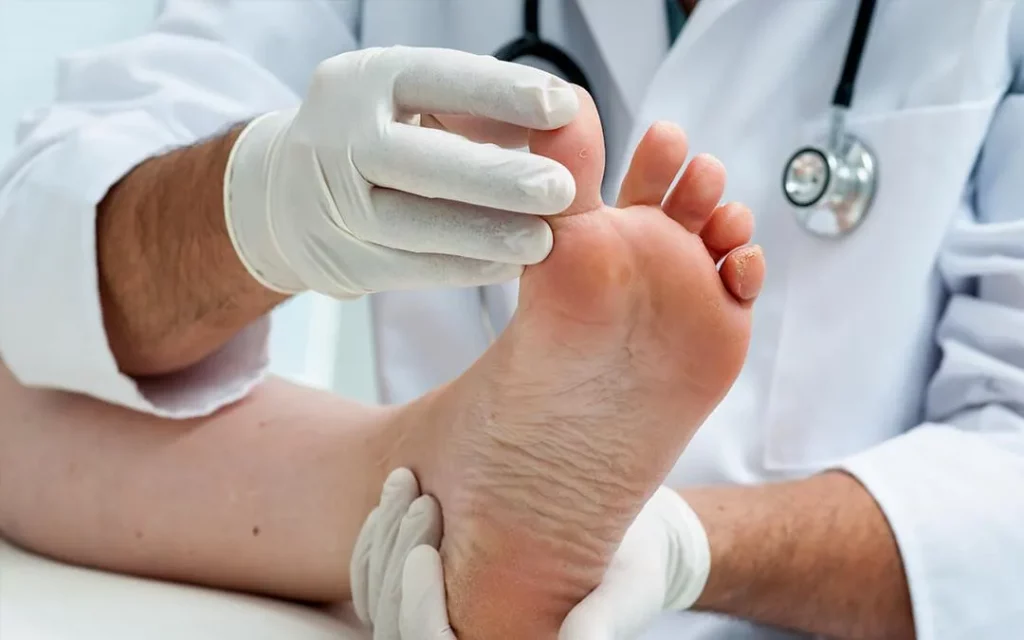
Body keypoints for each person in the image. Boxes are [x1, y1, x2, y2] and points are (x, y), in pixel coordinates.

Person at [1, 0, 1023, 638]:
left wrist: (681, 548)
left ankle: (449, 498)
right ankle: (446, 483)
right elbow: (37, 242)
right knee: (16, 399)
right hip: (406, 564)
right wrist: (252, 203)